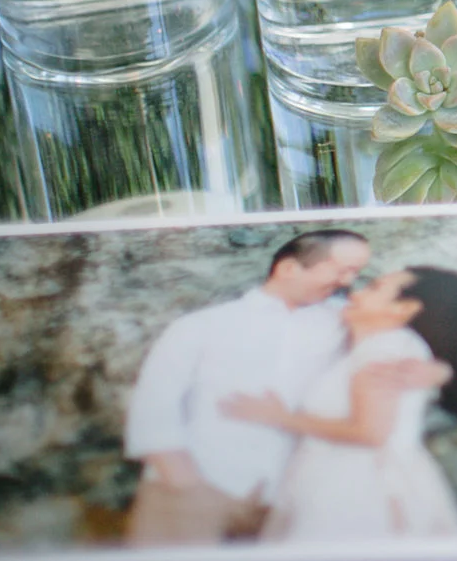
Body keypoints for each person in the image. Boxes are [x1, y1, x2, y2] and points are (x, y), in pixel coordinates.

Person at [121, 229, 372, 545]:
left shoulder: (343, 323)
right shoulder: (202, 325)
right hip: (193, 489)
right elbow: (154, 404)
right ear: (288, 268)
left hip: (286, 500)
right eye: (342, 270)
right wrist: (184, 482)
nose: (349, 282)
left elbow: (391, 340)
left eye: (355, 272)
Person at [222, 266, 457, 542]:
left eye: (374, 288)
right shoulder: (370, 343)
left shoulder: (385, 349)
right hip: (340, 477)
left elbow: (370, 432)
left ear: (403, 308)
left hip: (359, 486)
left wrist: (279, 417)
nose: (355, 293)